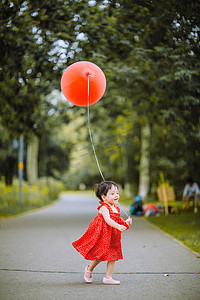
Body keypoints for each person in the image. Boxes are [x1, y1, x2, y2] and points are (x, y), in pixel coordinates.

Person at [72, 181, 132, 285]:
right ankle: (89, 269)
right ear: (104, 197)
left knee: (113, 255)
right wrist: (118, 226)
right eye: (112, 194)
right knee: (100, 255)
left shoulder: (116, 208)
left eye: (117, 193)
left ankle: (108, 277)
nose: (116, 195)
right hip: (104, 235)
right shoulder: (104, 208)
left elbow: (117, 220)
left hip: (113, 236)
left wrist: (125, 223)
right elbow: (108, 220)